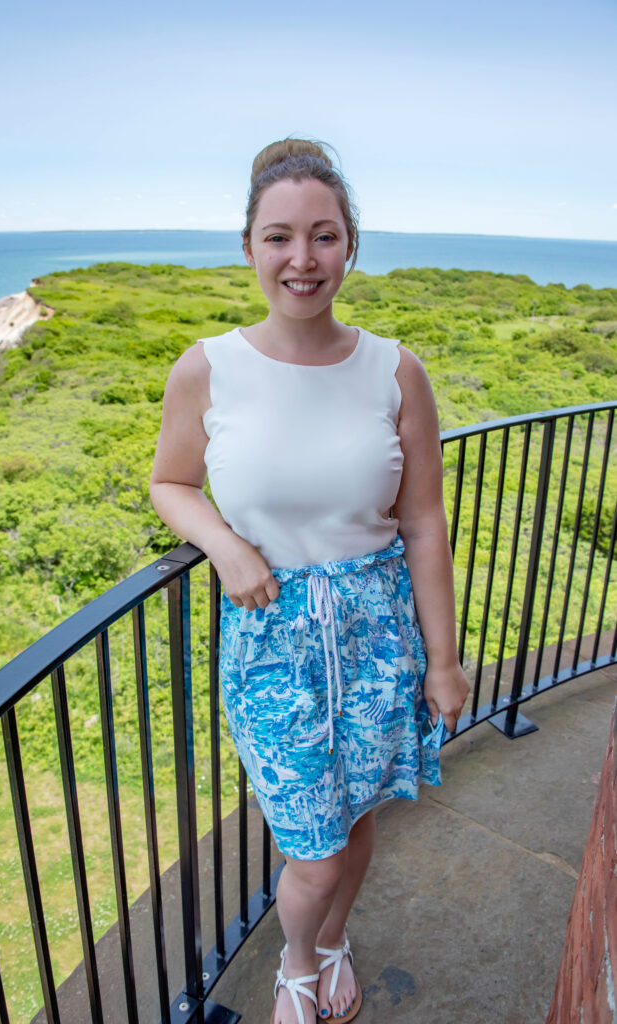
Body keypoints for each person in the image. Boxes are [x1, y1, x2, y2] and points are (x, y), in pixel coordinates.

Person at [149, 138, 470, 1024]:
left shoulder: (393, 368)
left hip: (376, 634)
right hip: (272, 645)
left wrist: (441, 662)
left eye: (323, 236)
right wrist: (222, 541)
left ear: (349, 246)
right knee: (314, 849)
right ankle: (297, 959)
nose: (302, 259)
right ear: (248, 246)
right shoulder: (207, 367)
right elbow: (169, 481)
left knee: (359, 818)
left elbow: (422, 523)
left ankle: (333, 942)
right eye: (279, 237)